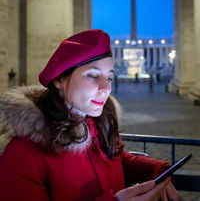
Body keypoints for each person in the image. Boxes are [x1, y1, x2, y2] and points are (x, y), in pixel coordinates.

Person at [0, 29, 179, 201]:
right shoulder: (23, 154)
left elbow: (119, 159)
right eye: (93, 76)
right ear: (59, 80)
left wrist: (158, 172)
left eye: (109, 78)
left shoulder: (100, 125)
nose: (106, 88)